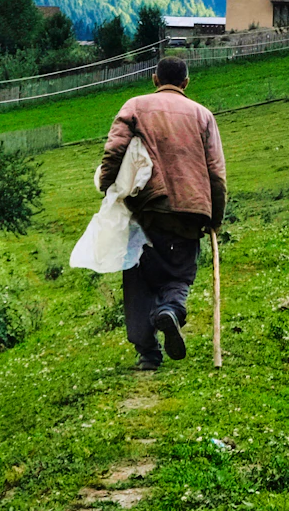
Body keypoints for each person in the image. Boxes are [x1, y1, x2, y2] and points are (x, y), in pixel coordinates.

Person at [96, 55, 226, 370]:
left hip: (146, 210)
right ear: (186, 83)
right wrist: (215, 216)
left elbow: (114, 151)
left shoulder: (134, 107)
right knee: (180, 274)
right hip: (190, 210)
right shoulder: (203, 115)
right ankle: (171, 309)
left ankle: (148, 354)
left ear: (155, 79)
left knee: (139, 279)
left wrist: (106, 184)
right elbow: (216, 173)